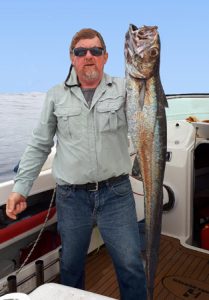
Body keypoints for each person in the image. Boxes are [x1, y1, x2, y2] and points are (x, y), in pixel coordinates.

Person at [6, 28, 146, 300]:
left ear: (106, 57)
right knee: (70, 267)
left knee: (130, 265)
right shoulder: (55, 95)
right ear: (72, 57)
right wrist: (20, 188)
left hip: (116, 194)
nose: (88, 56)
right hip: (72, 198)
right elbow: (39, 144)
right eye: (81, 52)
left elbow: (145, 118)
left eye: (95, 51)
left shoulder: (126, 88)